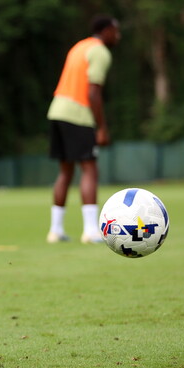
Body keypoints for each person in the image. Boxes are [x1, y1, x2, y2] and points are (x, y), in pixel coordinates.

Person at [46, 15, 121, 244]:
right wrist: (102, 128)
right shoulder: (100, 51)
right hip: (77, 114)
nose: (118, 36)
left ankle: (55, 231)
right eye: (116, 31)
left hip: (57, 110)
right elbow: (93, 92)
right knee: (90, 170)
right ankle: (90, 231)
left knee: (65, 171)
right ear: (106, 31)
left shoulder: (79, 46)